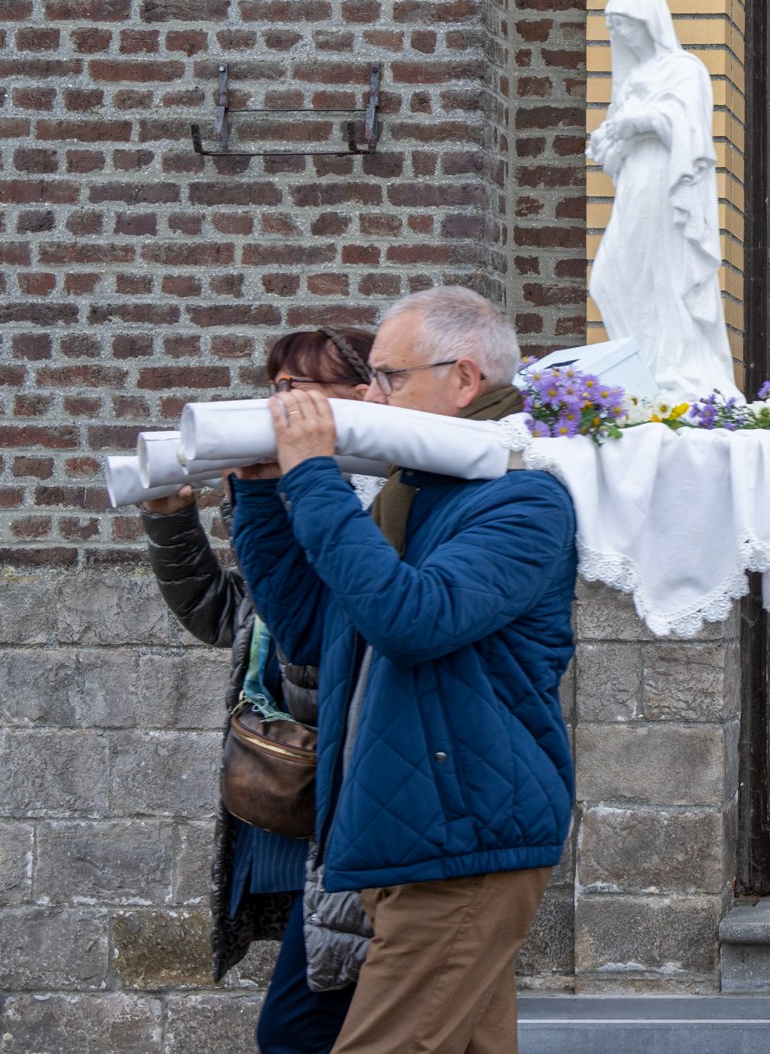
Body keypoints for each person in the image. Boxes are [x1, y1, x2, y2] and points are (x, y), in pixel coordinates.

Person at [229, 286, 578, 1054]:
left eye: (390, 376)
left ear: (463, 379)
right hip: (408, 830)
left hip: (461, 836)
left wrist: (315, 477)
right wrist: (260, 497)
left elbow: (412, 622)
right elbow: (316, 636)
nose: (370, 396)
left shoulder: (522, 500)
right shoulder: (410, 491)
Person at [140, 327, 374, 1054]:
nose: (280, 402)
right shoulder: (275, 495)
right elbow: (224, 613)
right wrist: (172, 519)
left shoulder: (368, 512)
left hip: (343, 792)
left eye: (300, 387)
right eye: (274, 386)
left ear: (359, 400)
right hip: (281, 782)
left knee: (307, 1017)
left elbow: (322, 638)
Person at [585, 0, 738, 399]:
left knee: (665, 273)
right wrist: (608, 141)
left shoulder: (684, 68)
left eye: (625, 24)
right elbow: (620, 132)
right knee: (610, 278)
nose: (620, 35)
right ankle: (644, 372)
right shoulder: (634, 76)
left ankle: (677, 367)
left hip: (666, 182)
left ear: (648, 22)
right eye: (613, 27)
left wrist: (640, 120)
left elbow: (688, 126)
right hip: (636, 179)